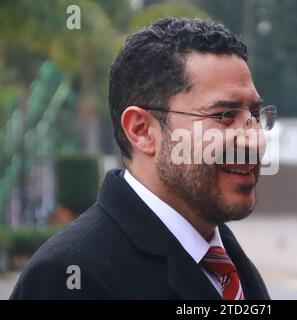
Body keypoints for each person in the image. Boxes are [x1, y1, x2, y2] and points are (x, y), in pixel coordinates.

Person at [11, 17, 276, 300]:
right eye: (224, 116)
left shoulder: (224, 258)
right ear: (142, 130)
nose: (254, 139)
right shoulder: (70, 276)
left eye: (254, 116)